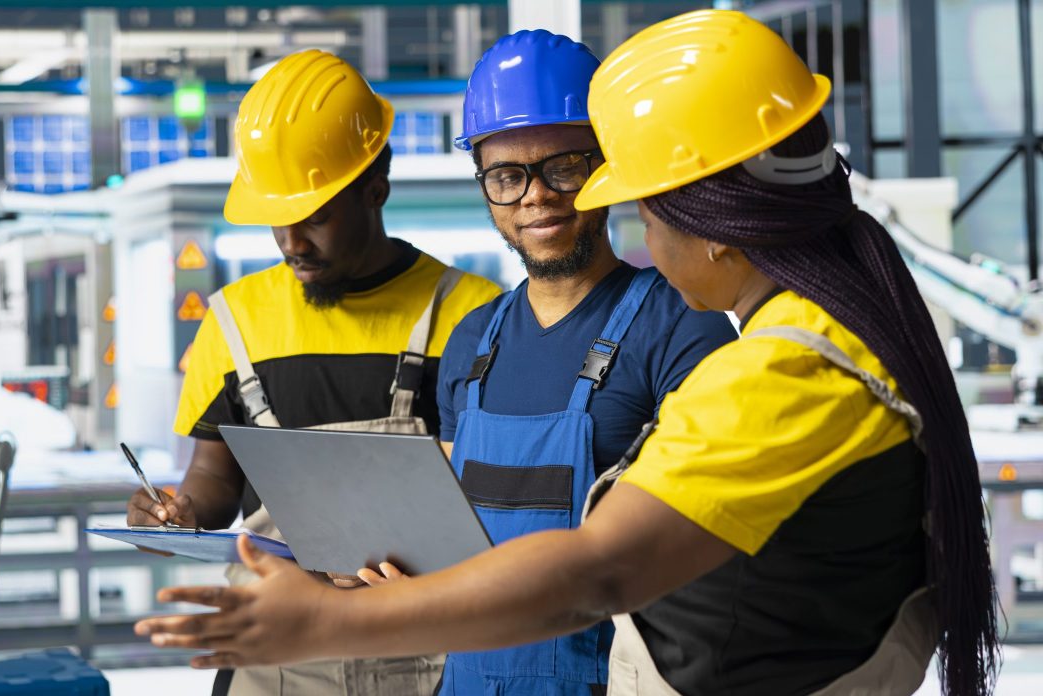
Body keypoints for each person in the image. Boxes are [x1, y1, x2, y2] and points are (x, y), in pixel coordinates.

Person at [134, 11, 999, 696]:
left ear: (712, 220)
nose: (548, 200)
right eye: (506, 175)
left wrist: (323, 624)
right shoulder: (837, 337)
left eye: (639, 207)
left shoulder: (778, 371)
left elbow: (601, 569)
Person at [124, 48, 501, 696]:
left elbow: (496, 503)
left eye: (315, 217)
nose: (293, 242)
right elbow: (214, 479)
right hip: (273, 657)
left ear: (375, 187)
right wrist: (176, 511)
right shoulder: (235, 320)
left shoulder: (473, 315)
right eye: (279, 219)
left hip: (420, 654)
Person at [380, 29, 733, 695]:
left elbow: (700, 554)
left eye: (564, 165)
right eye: (507, 176)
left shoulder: (683, 328)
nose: (535, 196)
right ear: (485, 185)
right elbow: (455, 542)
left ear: (607, 165)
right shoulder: (471, 341)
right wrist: (405, 574)